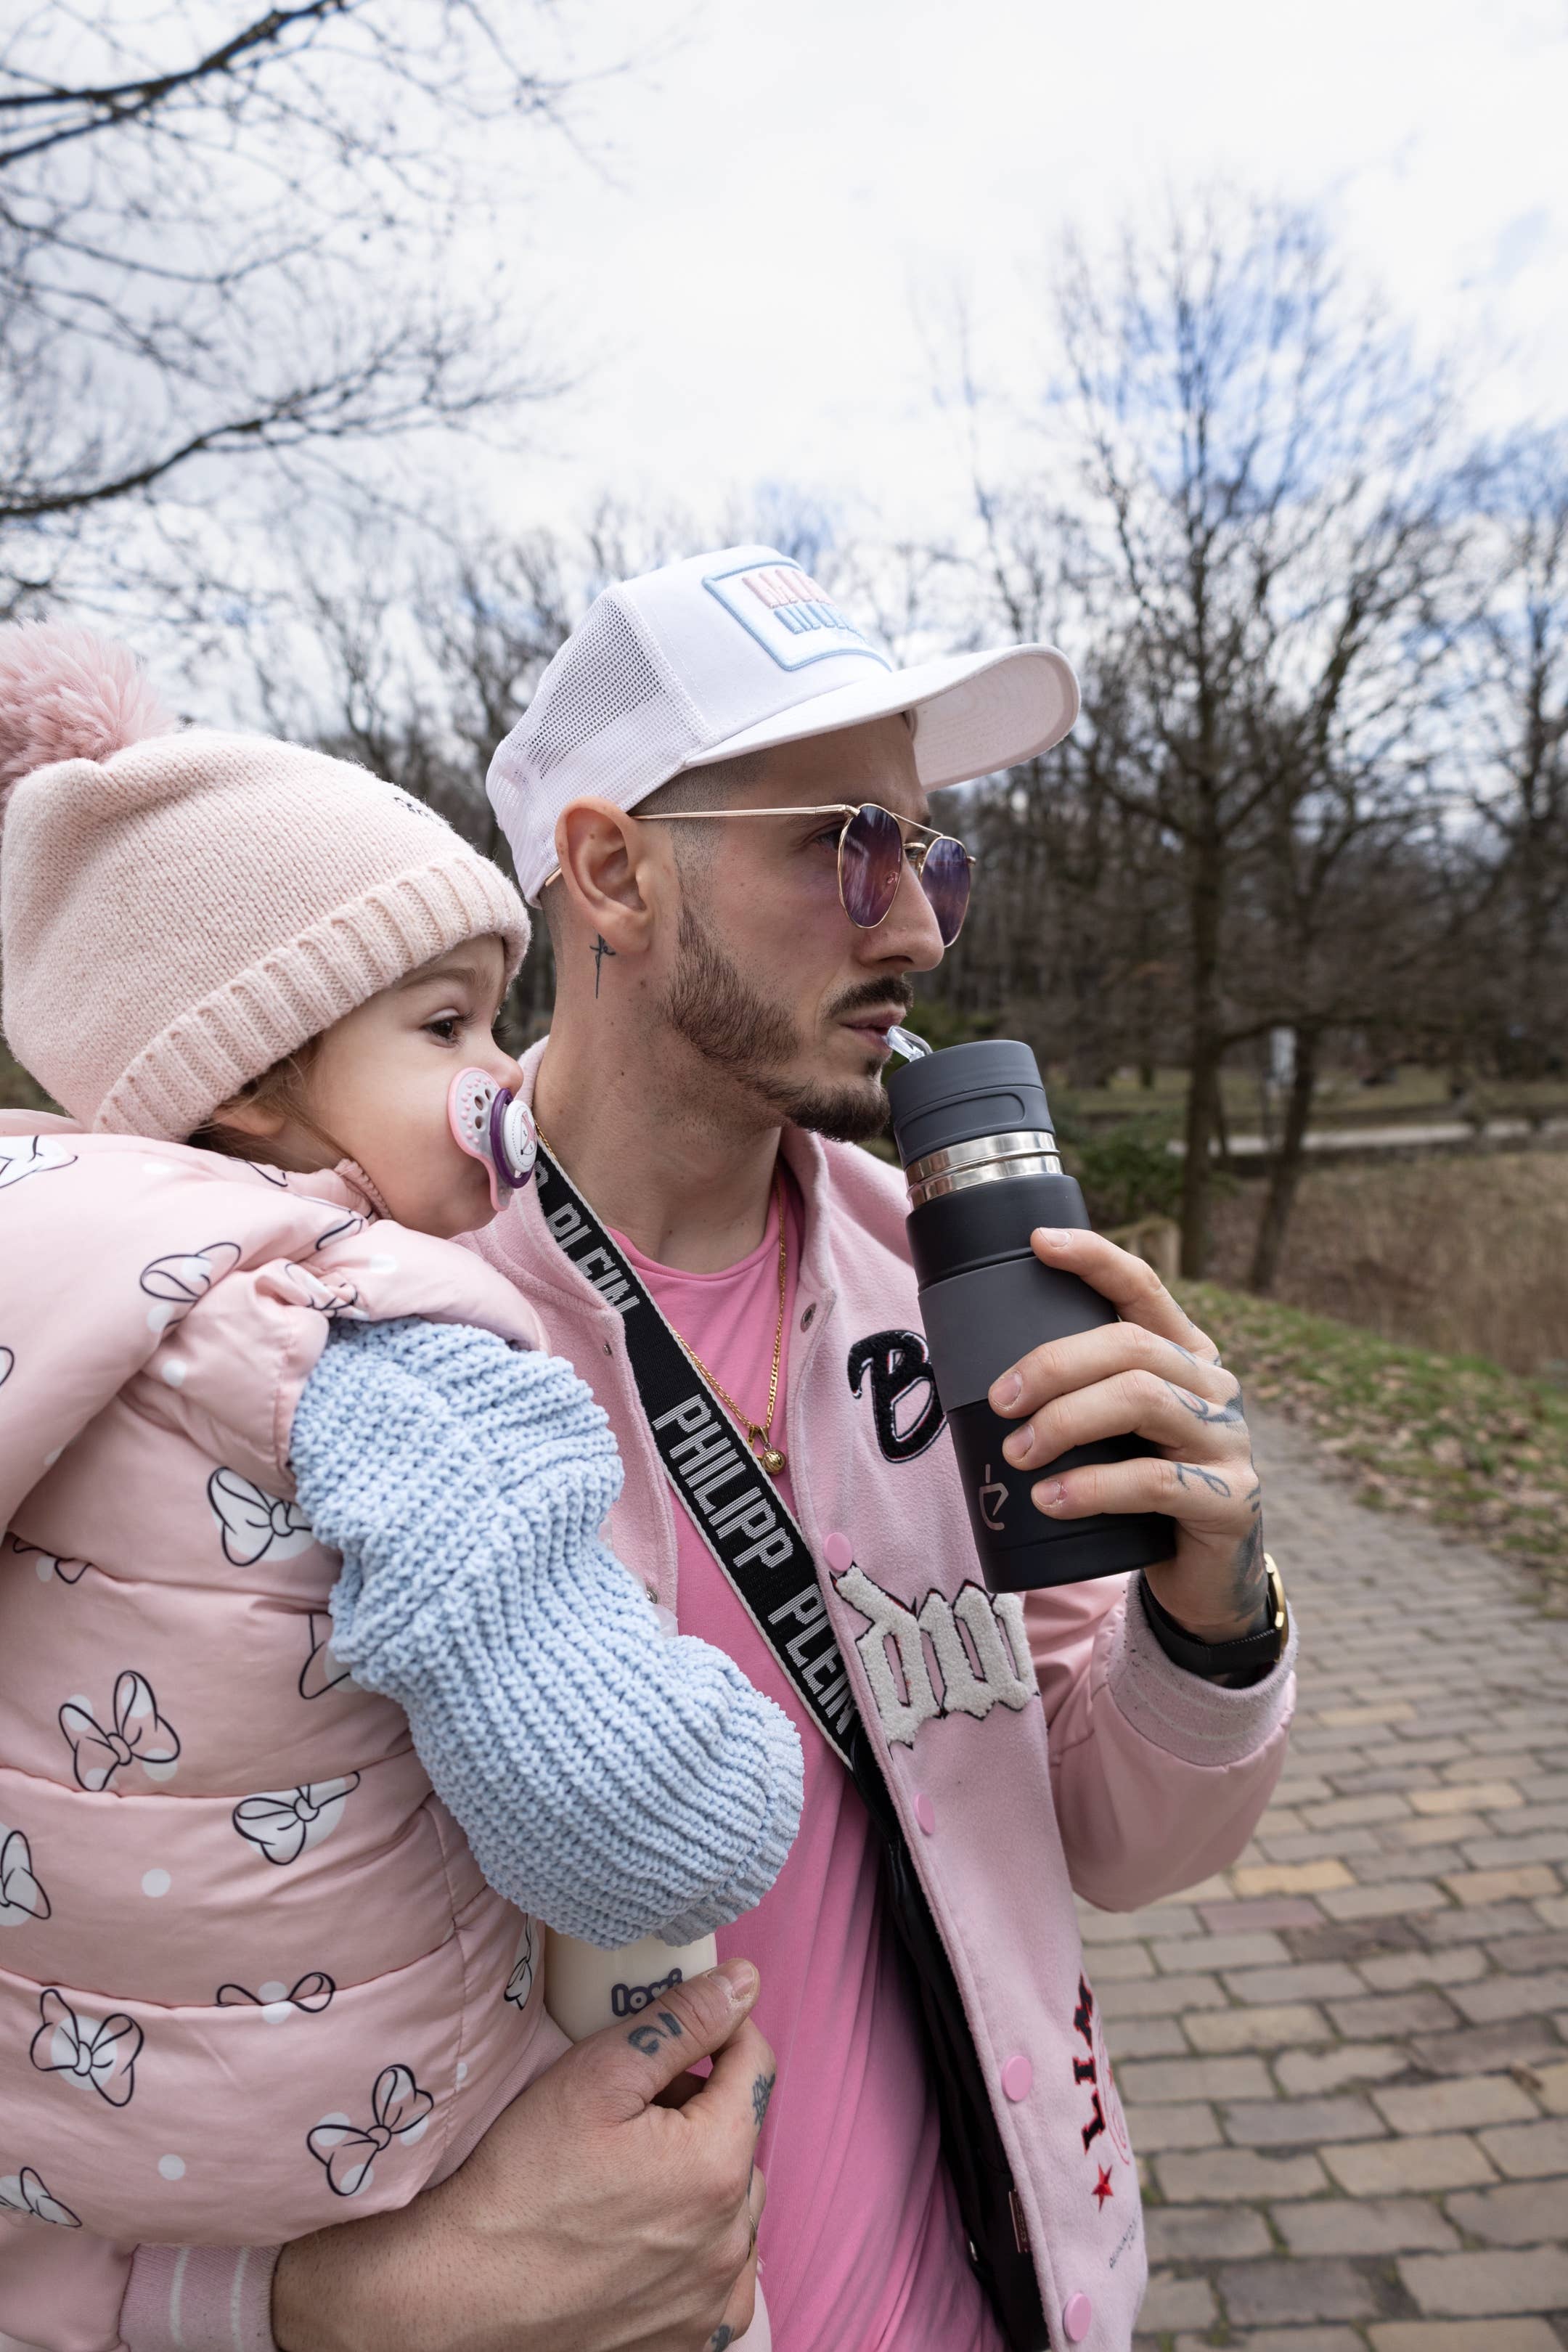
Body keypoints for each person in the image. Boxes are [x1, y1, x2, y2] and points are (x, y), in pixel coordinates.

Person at [78, 549, 1297, 2352]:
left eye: (932, 852)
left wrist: (1212, 1615)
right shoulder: (320, 1335)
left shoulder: (943, 1266)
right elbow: (80, 2020)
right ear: (612, 871)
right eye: (846, 844)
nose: (921, 926)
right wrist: (318, 2309)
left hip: (1012, 2286)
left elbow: (1106, 1837)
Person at [0, 625, 801, 2352]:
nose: (501, 1076)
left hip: (83, 2176)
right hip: (388, 2150)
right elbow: (631, 1825)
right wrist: (739, 1761)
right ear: (259, 1089)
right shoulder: (374, 1351)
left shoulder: (54, 1294)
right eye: (445, 1021)